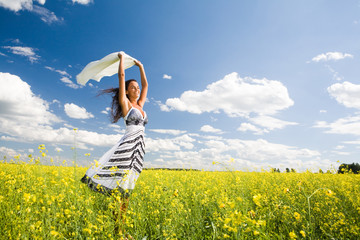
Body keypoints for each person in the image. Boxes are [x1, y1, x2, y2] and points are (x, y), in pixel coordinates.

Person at [81, 52, 148, 235]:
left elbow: (146, 85)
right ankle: (119, 231)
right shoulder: (126, 104)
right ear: (126, 91)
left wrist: (140, 66)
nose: (137, 89)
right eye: (133, 88)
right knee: (122, 191)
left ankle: (120, 230)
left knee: (127, 191)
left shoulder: (141, 105)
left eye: (137, 88)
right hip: (126, 148)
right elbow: (122, 77)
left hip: (138, 150)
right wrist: (121, 60)